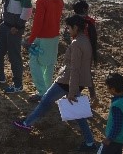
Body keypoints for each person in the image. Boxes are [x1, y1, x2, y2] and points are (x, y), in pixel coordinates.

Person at [13, 15, 97, 152]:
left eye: (69, 28)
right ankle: (89, 143)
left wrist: (71, 92)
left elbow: (74, 69)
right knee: (79, 114)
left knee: (45, 100)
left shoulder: (76, 44)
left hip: (67, 81)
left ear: (75, 27)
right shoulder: (86, 41)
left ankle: (26, 123)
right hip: (78, 81)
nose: (68, 31)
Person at [23, 0, 64, 103]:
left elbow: (37, 24)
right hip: (54, 37)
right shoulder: (60, 1)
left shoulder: (42, 2)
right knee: (49, 65)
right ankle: (48, 91)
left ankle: (42, 92)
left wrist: (29, 40)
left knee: (35, 63)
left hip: (42, 38)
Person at [73, 0, 99, 107]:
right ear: (84, 10)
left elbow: (69, 36)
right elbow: (94, 38)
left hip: (77, 50)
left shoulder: (74, 21)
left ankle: (76, 95)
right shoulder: (90, 21)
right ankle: (93, 96)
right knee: (86, 73)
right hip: (89, 50)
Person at [98, 73, 123, 154]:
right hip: (122, 136)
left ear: (113, 89)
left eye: (107, 87)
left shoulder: (117, 105)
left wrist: (109, 139)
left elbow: (117, 125)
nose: (107, 89)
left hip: (115, 139)